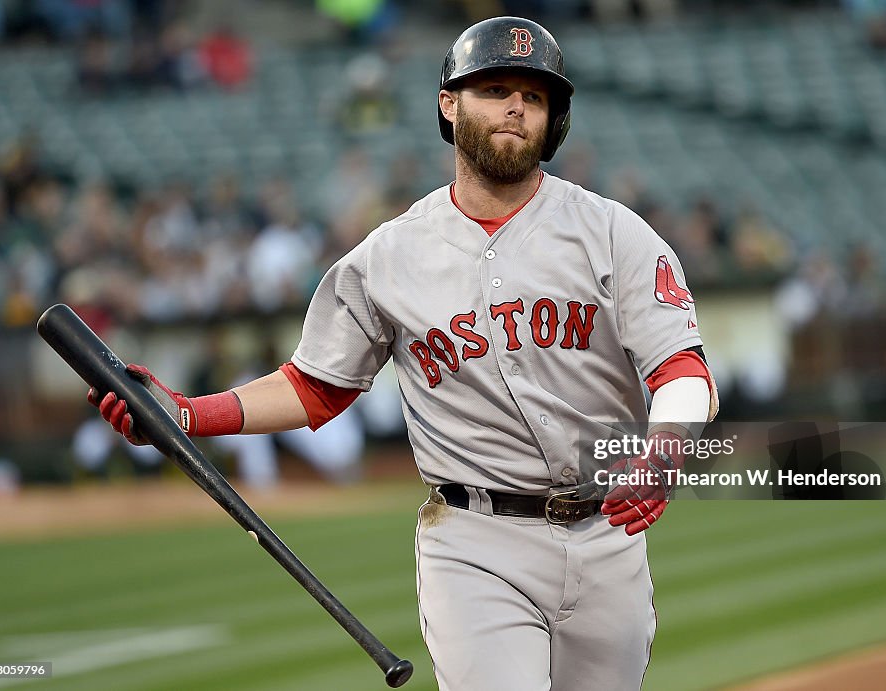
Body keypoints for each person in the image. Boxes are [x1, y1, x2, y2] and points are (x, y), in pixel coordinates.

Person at [88, 17, 717, 690]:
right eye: (495, 89)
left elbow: (682, 367)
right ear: (449, 103)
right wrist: (187, 414)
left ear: (553, 119)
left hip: (607, 534)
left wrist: (667, 445)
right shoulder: (389, 255)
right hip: (476, 543)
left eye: (534, 97)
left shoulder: (613, 232)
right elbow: (316, 385)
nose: (515, 106)